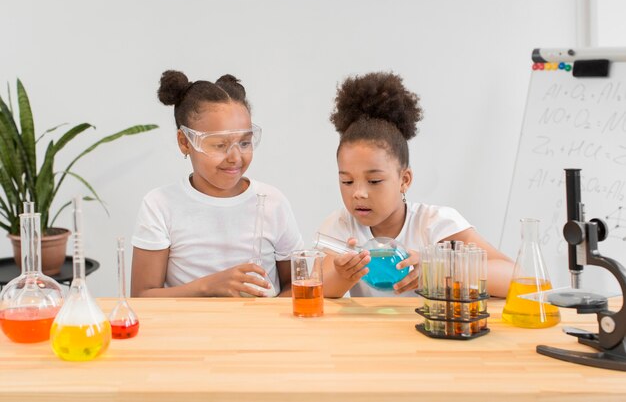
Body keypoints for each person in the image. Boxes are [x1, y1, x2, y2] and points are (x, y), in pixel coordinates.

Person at [319, 72, 514, 298]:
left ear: (404, 180)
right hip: (371, 333)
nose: (358, 193)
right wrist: (342, 274)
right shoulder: (341, 226)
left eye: (374, 181)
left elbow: (516, 278)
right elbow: (318, 287)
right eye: (347, 181)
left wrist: (441, 268)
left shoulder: (435, 224)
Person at [131, 70, 303, 297]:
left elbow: (298, 283)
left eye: (244, 142)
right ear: (184, 142)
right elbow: (142, 296)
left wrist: (267, 316)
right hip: (190, 330)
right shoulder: (160, 205)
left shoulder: (272, 203)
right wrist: (208, 286)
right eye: (220, 145)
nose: (235, 157)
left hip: (257, 329)